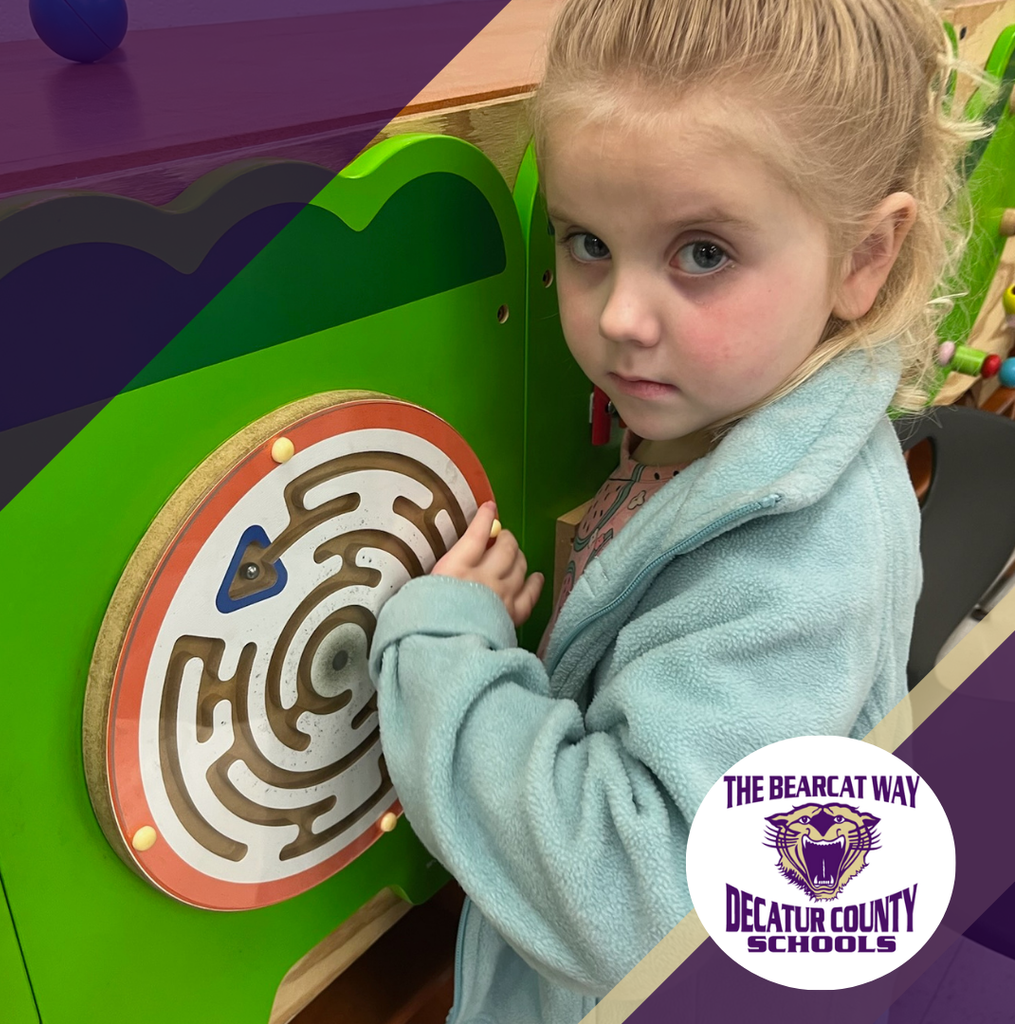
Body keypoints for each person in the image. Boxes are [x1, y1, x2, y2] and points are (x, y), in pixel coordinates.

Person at [368, 1, 990, 1021]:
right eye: (586, 242)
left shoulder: (794, 563)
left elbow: (641, 903)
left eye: (701, 252)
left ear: (864, 257)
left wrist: (442, 648)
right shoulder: (743, 412)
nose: (616, 316)